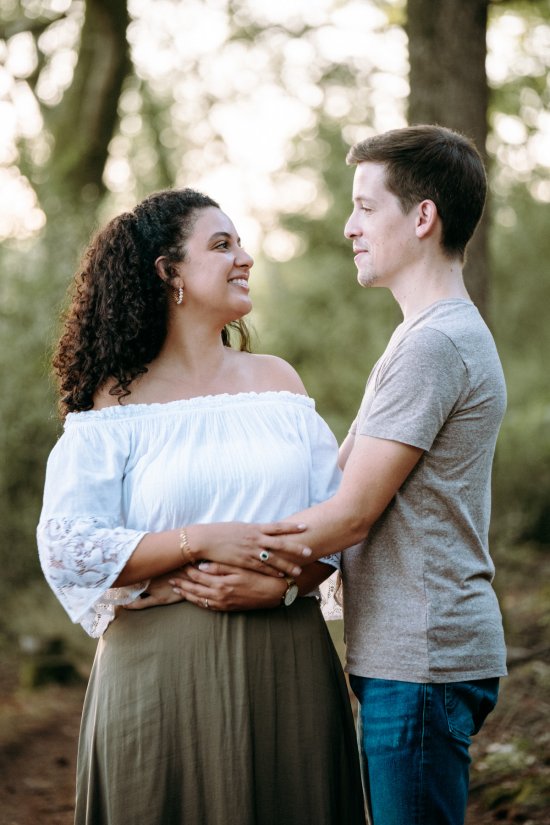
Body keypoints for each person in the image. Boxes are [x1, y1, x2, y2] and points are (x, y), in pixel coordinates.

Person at [167, 126, 508, 825]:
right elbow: (339, 485)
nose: (349, 226)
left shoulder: (435, 343)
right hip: (415, 657)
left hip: (424, 660)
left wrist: (232, 555)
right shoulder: (423, 335)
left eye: (365, 206)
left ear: (422, 217)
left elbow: (349, 513)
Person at [37, 188, 366, 825]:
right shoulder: (113, 404)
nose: (244, 258)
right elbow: (68, 543)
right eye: (222, 245)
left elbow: (338, 528)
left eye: (240, 243)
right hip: (156, 679)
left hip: (286, 668)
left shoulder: (278, 383)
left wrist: (284, 588)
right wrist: (200, 539)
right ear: (169, 272)